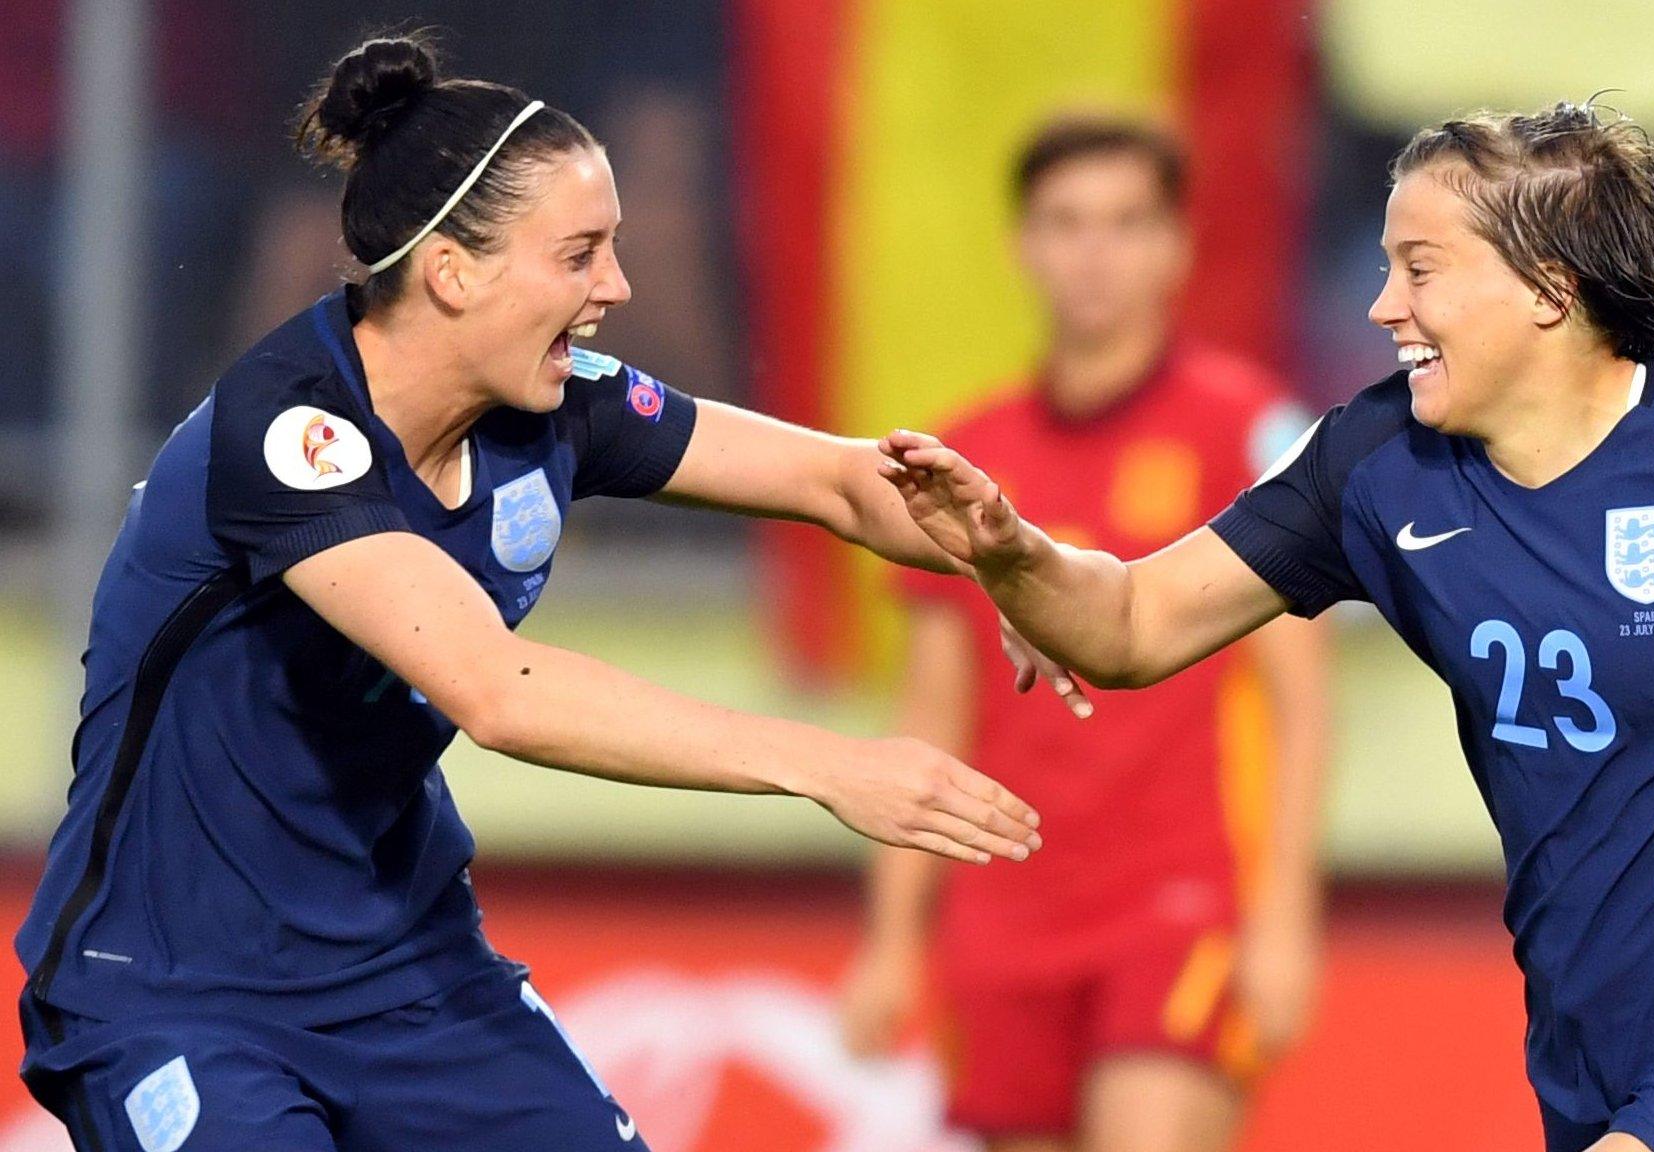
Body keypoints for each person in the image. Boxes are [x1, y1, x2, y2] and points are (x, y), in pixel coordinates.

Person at [883, 103, 1654, 1151]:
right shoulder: (1374, 464)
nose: (1383, 306)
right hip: (1590, 1044)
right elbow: (1130, 623)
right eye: (1386, 265)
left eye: (1420, 269)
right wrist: (1014, 555)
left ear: (1546, 288)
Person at [13, 34, 1043, 1152]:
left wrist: (1019, 565)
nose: (617, 289)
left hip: (407, 973)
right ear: (454, 272)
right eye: (579, 255)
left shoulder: (557, 401)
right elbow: (497, 690)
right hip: (178, 990)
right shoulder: (287, 432)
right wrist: (825, 763)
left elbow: (838, 480)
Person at [837, 118, 1330, 1152]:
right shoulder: (964, 457)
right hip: (1004, 918)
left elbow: (1298, 699)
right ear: (1021, 244)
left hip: (1181, 900)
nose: (1093, 254)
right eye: (1065, 223)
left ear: (1175, 246)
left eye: (1124, 223)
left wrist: (1283, 920)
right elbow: (932, 714)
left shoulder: (1243, 432)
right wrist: (889, 939)